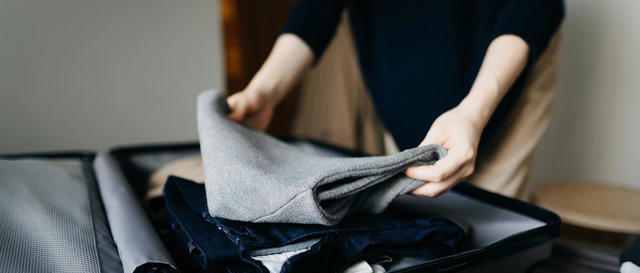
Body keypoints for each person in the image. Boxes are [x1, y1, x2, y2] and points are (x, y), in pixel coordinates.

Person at [226, 0, 564, 199]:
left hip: (504, 62)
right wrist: (262, 91)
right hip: (403, 79)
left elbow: (529, 8)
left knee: (493, 225)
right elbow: (317, 9)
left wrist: (474, 110)